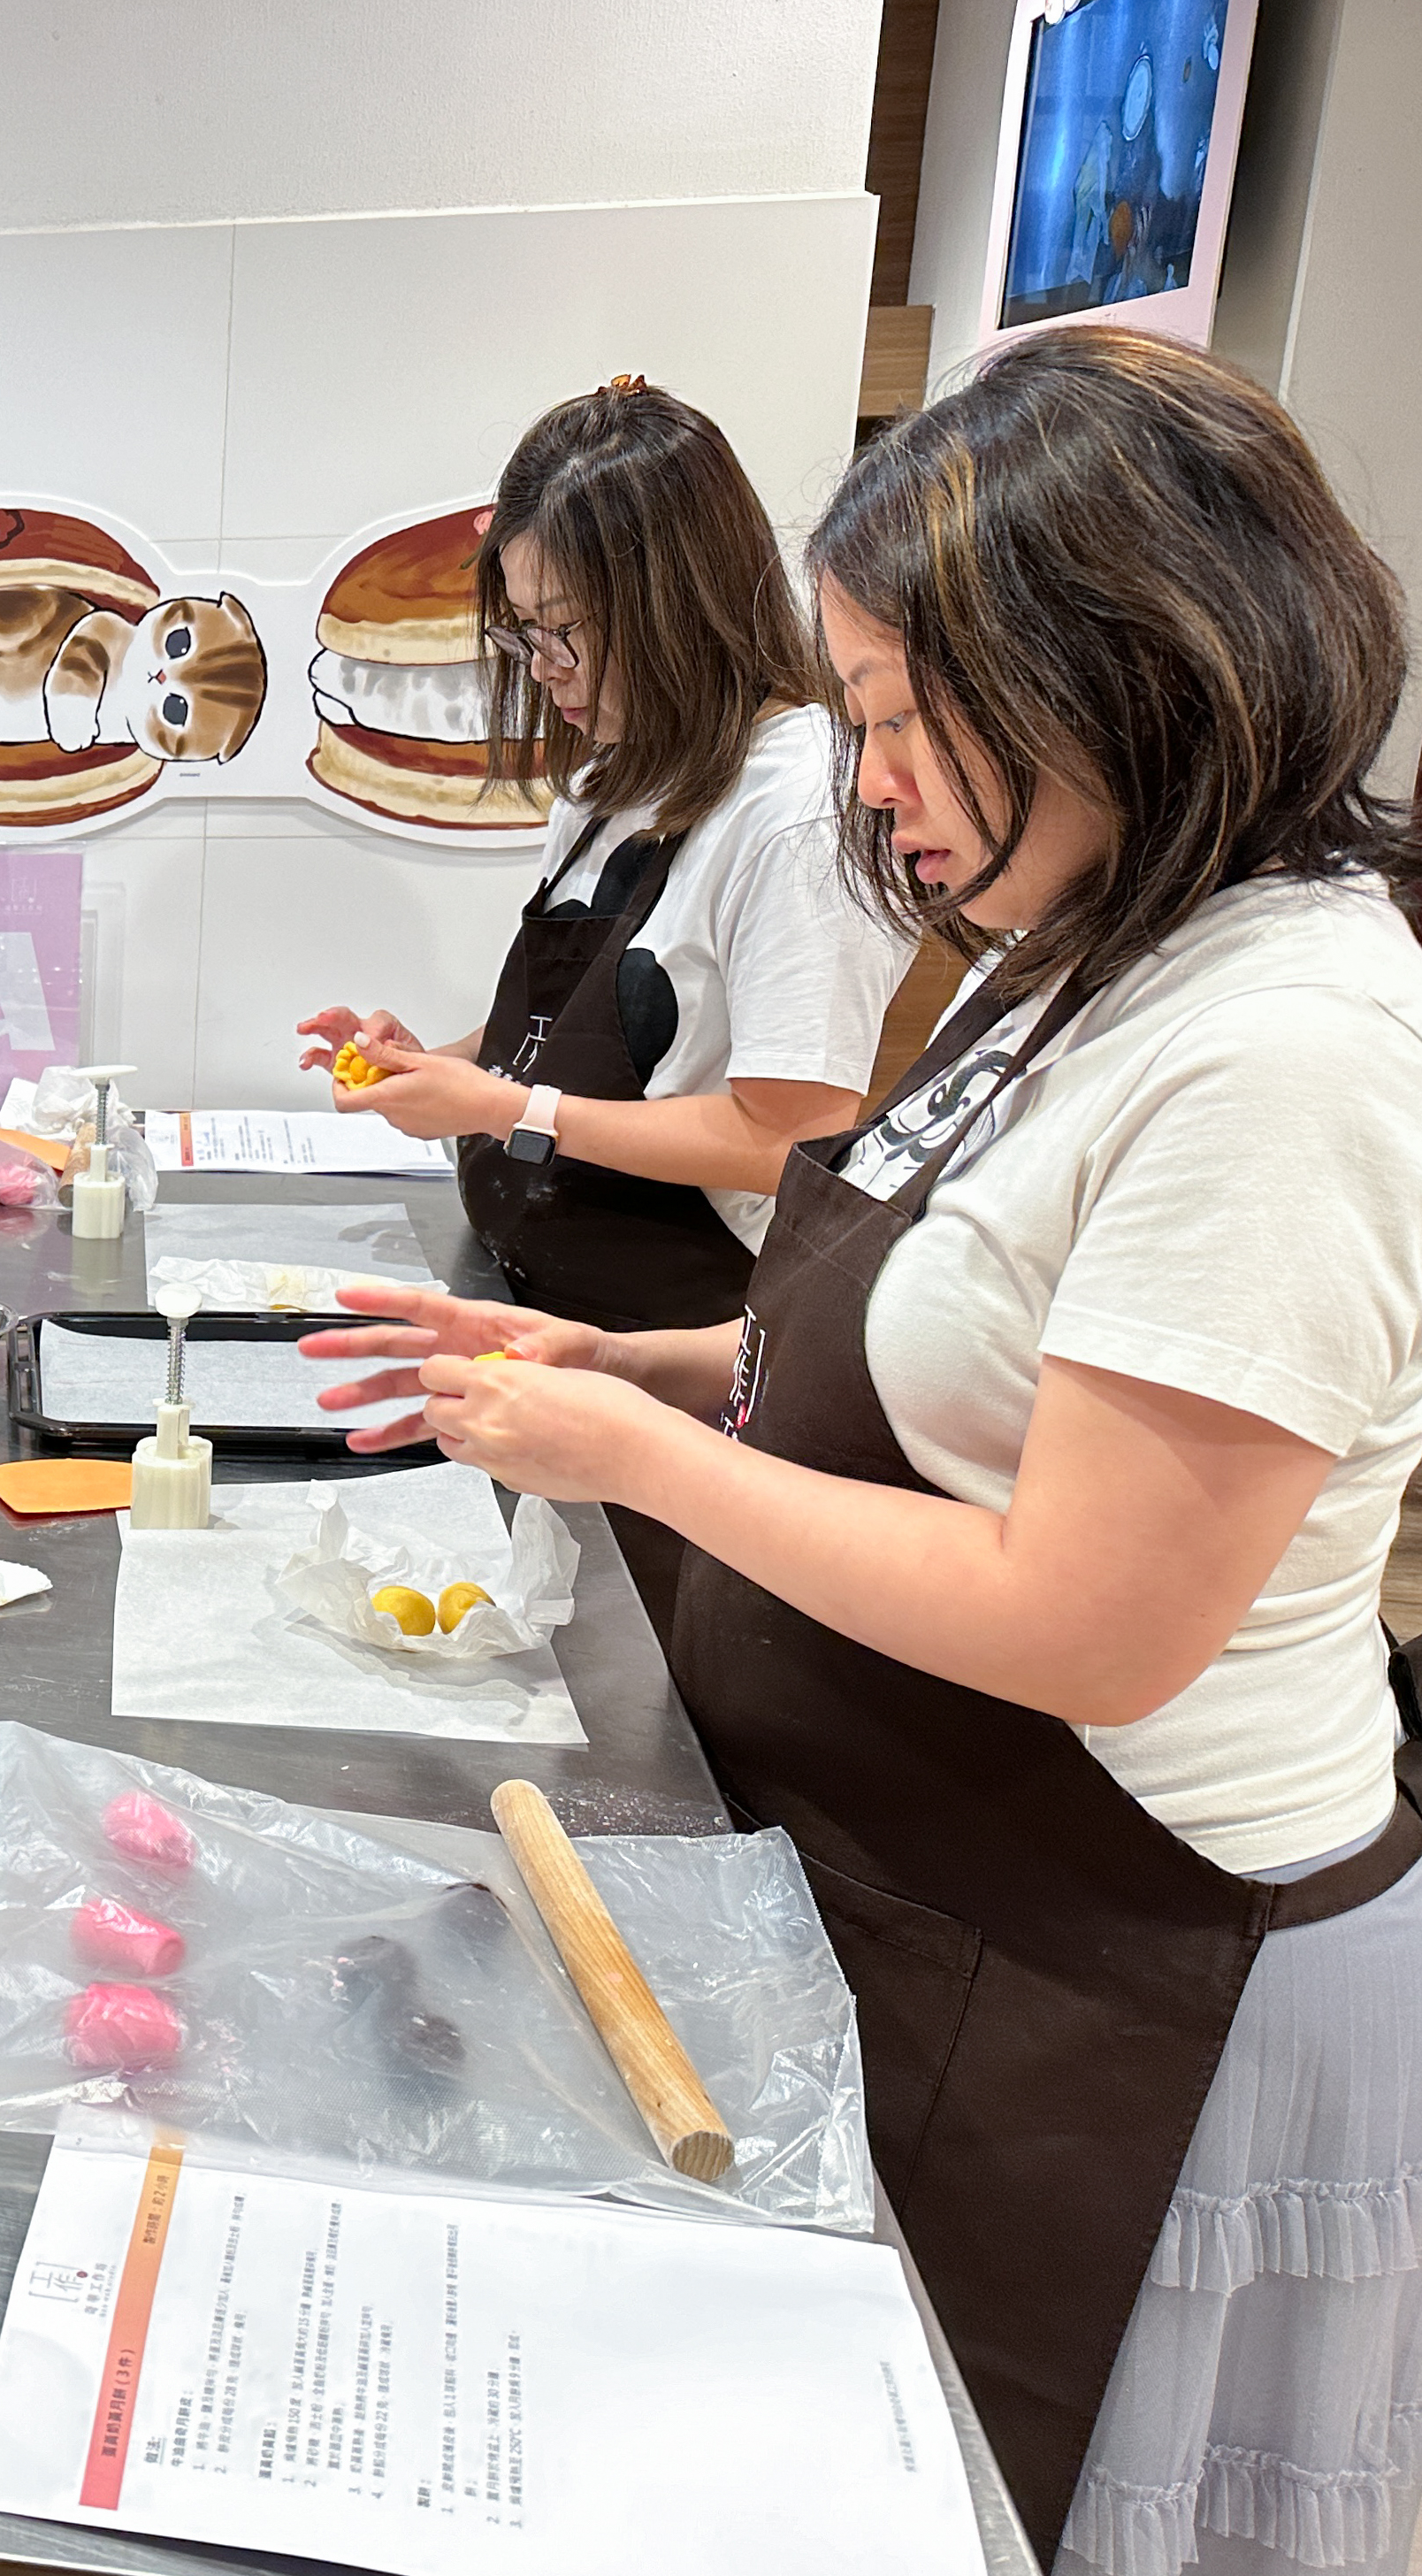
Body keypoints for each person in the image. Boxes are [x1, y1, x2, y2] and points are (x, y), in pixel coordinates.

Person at [308, 326, 1422, 2567]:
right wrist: (631, 1364)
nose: (872, 782)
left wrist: (645, 1465)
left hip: (1136, 1968)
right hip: (937, 1900)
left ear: (1130, 670)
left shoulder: (1287, 1038)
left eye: (909, 717)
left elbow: (1089, 1616)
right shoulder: (1076, 955)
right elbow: (944, 1348)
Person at [298, 379, 917, 1333]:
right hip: (535, 1307)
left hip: (678, 1335)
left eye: (567, 631)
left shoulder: (800, 811)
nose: (543, 669)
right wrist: (433, 1067)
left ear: (679, 601)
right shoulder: (607, 783)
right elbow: (557, 1044)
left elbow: (788, 1133)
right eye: (525, 632)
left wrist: (507, 1109)